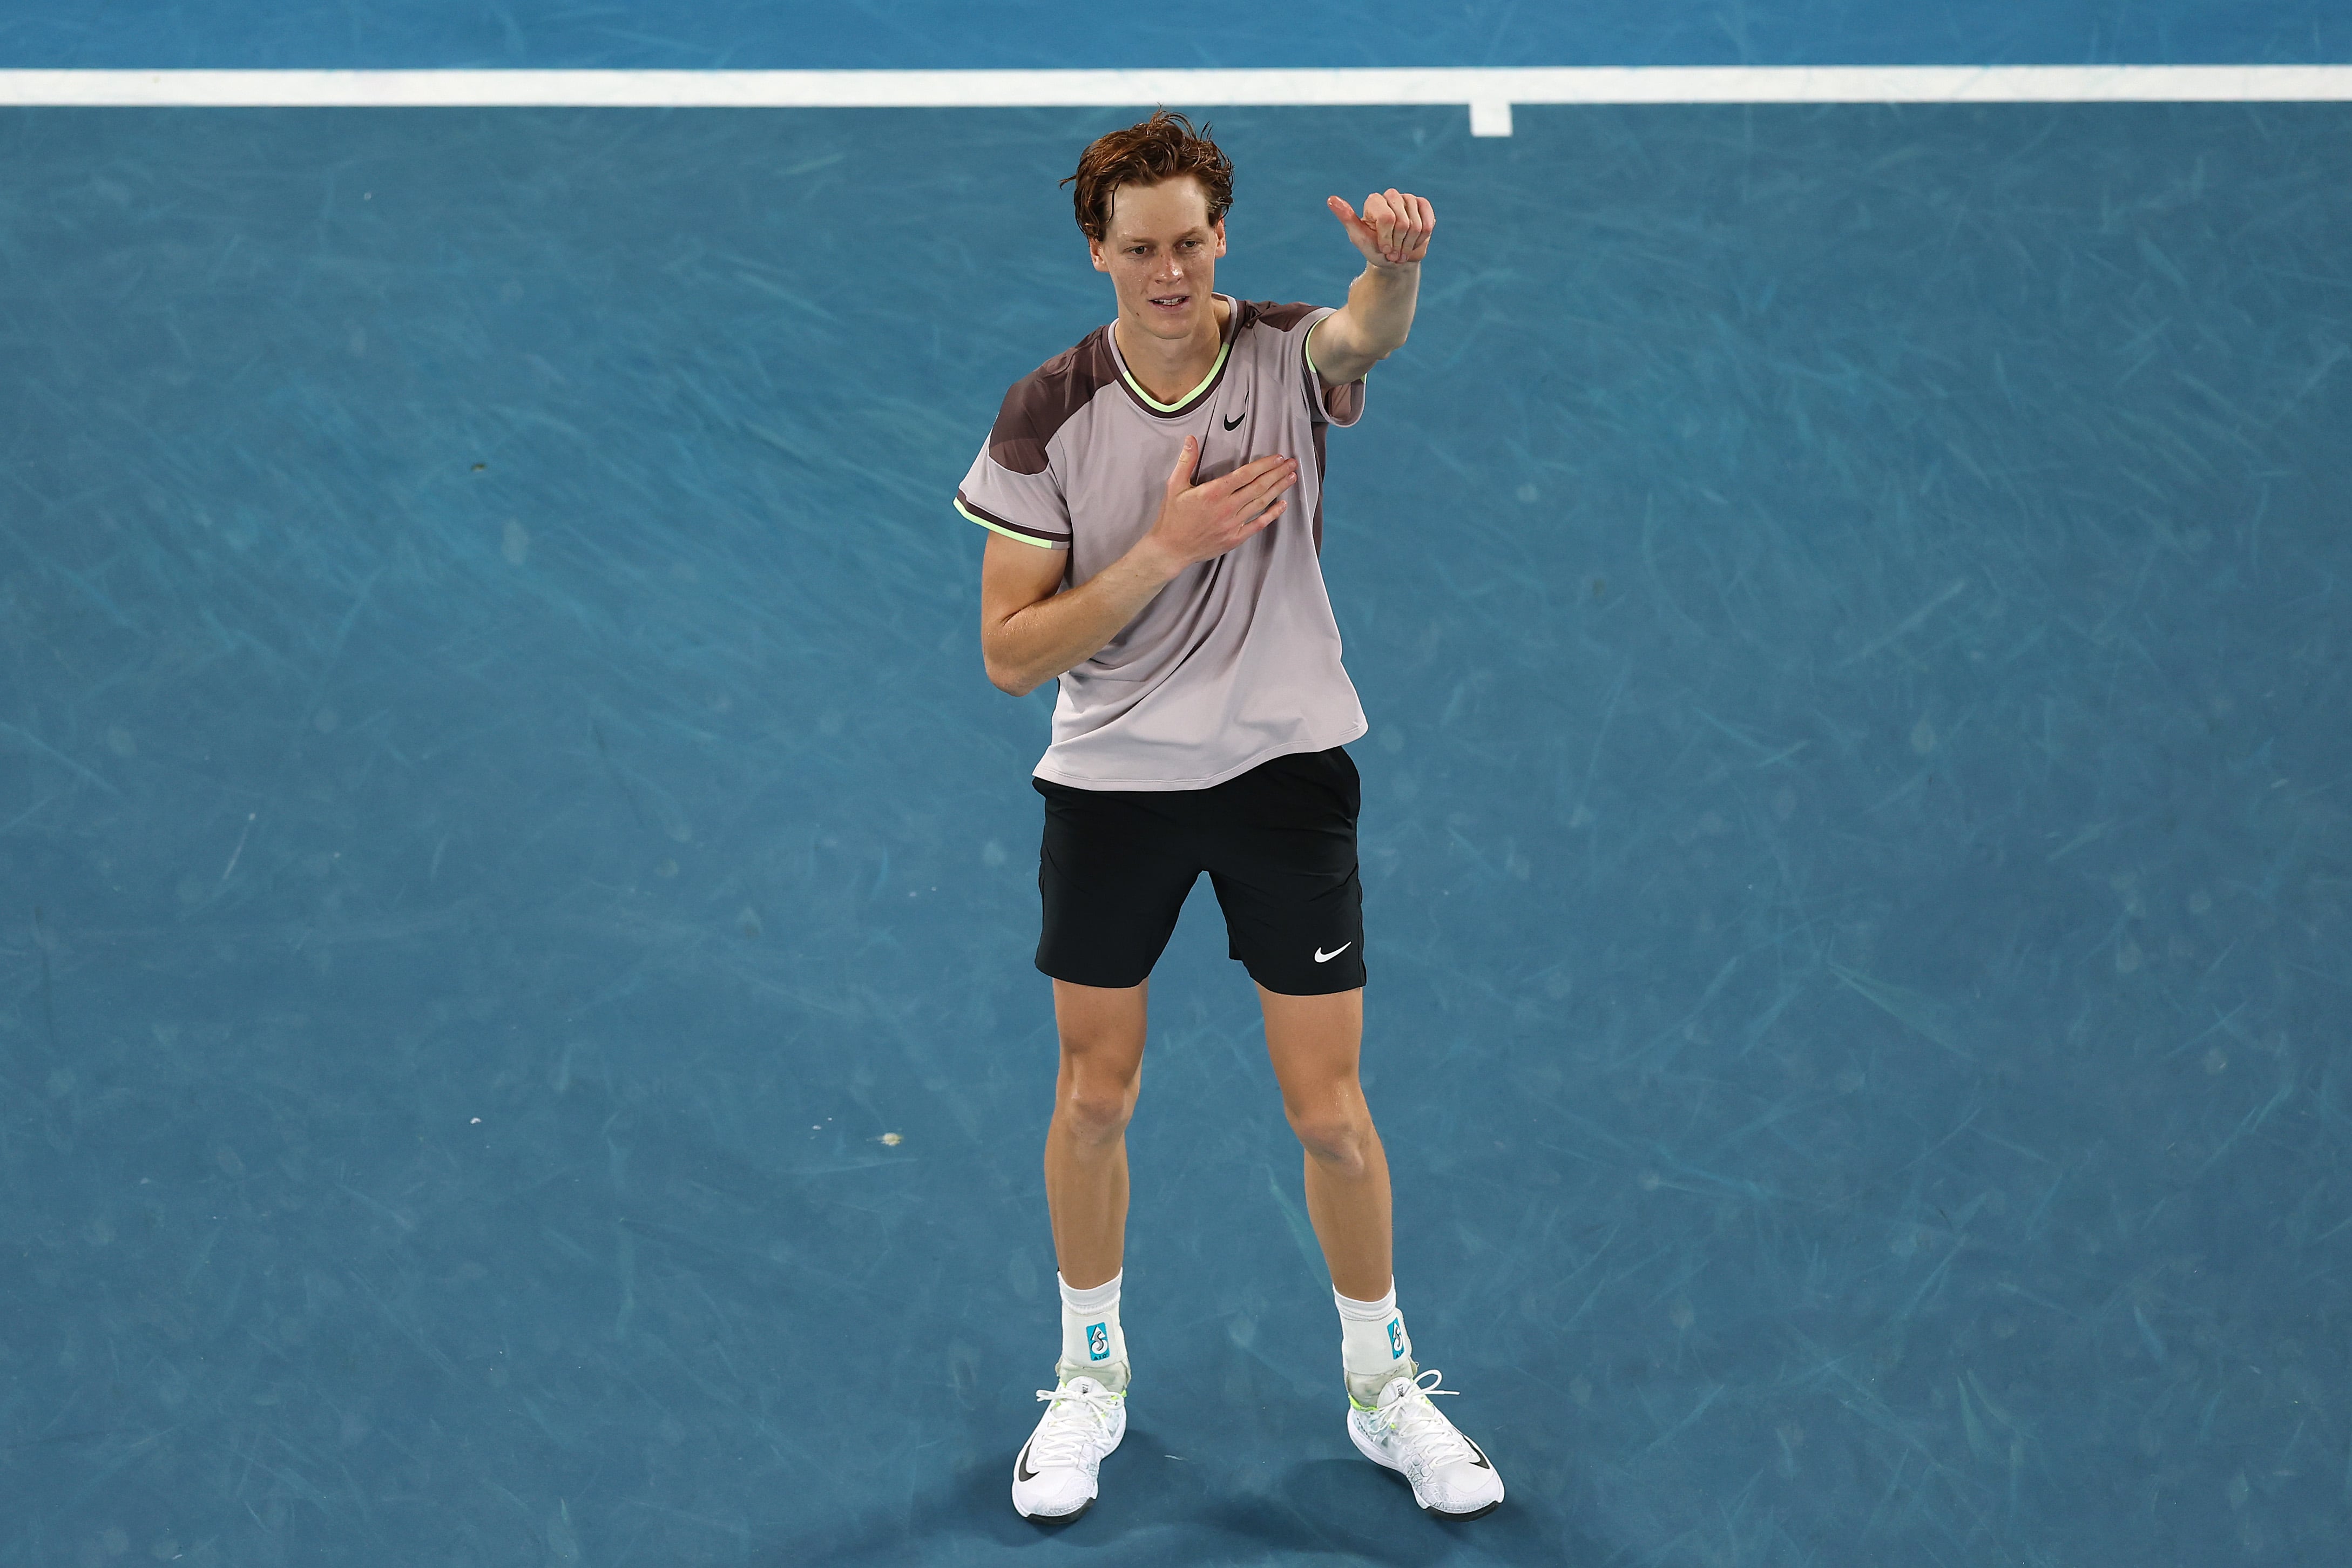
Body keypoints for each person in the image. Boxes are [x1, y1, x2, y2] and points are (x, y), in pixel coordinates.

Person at [955, 110, 1503, 1525]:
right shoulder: (1046, 413)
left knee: (1328, 1115)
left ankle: (1384, 1388)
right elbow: (1013, 655)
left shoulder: (1276, 352)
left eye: (1192, 241)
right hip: (1115, 784)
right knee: (1095, 1095)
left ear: (1220, 238)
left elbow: (1363, 337)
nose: (1171, 271)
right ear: (1099, 252)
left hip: (1282, 771)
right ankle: (1088, 1379)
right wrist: (1161, 552)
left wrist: (1395, 269)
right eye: (1140, 248)